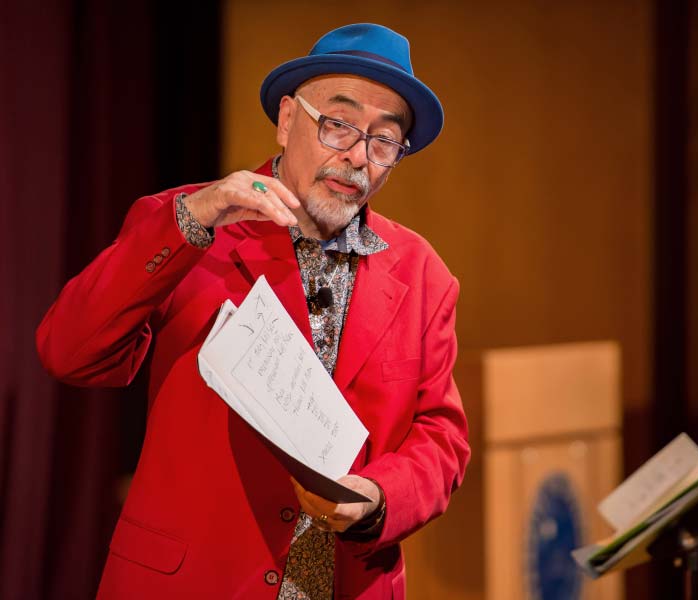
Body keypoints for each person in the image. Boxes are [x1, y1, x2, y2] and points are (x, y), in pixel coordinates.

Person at [36, 23, 470, 600]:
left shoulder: (422, 273)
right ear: (289, 119)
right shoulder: (193, 224)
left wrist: (379, 496)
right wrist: (195, 219)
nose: (357, 158)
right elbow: (69, 353)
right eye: (338, 125)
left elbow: (441, 437)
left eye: (384, 139)